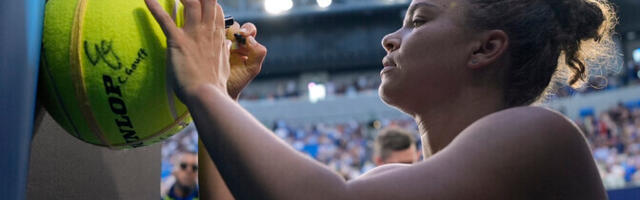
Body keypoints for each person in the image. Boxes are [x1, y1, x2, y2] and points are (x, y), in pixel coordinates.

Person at [144, 0, 617, 198]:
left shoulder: (539, 135)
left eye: (418, 20)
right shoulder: (388, 178)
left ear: (486, 48)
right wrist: (224, 97)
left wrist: (204, 89)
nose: (390, 39)